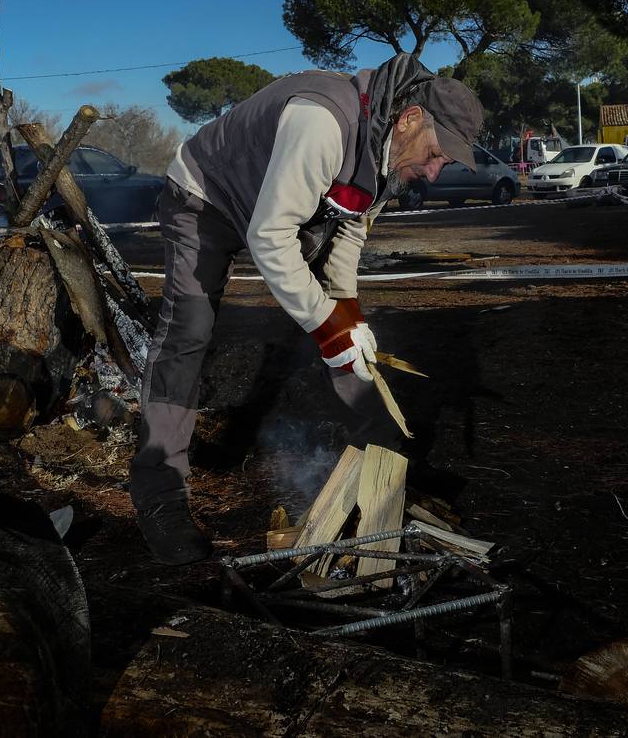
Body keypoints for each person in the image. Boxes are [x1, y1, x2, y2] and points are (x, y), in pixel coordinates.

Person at [134, 54, 483, 565]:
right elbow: (270, 238)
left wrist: (347, 316)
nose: (433, 170)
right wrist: (327, 325)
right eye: (435, 153)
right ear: (410, 119)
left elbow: (348, 229)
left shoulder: (388, 149)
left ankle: (379, 471)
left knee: (346, 337)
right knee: (188, 331)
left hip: (268, 204)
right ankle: (158, 493)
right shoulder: (322, 121)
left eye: (444, 162)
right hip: (203, 196)